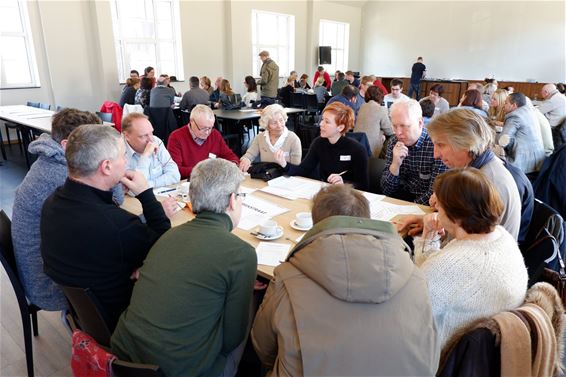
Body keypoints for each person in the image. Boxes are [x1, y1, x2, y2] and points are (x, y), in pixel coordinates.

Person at [252, 184, 440, 377]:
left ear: (317, 224)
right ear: (366, 218)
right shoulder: (416, 276)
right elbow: (430, 353)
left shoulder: (288, 276)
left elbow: (263, 346)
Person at [111, 159, 256, 377]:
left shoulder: (169, 235)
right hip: (181, 370)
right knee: (253, 308)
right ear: (233, 201)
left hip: (125, 356)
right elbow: (232, 337)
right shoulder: (241, 253)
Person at [41, 125, 172, 330]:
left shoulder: (52, 203)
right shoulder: (117, 225)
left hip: (85, 316)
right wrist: (146, 193)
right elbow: (165, 245)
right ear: (107, 167)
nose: (127, 161)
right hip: (125, 320)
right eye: (122, 156)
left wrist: (136, 263)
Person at [12, 110, 121, 312]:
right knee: (130, 267)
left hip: (45, 267)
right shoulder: (61, 172)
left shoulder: (49, 160)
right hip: (50, 285)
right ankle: (93, 330)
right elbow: (116, 201)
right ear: (66, 145)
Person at [413, 168, 528, 349]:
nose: (435, 207)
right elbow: (431, 275)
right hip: (493, 351)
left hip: (448, 356)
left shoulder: (453, 263)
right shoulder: (501, 236)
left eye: (440, 205)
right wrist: (429, 235)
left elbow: (412, 309)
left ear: (456, 216)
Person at [422, 108, 523, 239]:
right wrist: (426, 222)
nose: (435, 154)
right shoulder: (481, 170)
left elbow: (462, 246)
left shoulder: (483, 184)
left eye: (441, 145)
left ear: (466, 143)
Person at [274, 102, 369, 190]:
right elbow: (303, 169)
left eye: (327, 122)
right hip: (326, 192)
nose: (321, 124)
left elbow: (363, 185)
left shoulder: (357, 149)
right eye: (322, 119)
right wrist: (284, 164)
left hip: (348, 197)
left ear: (340, 127)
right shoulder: (319, 143)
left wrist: (344, 183)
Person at [381, 99, 448, 205]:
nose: (398, 133)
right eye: (394, 126)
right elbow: (386, 190)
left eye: (404, 126)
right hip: (398, 201)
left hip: (424, 205)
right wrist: (395, 165)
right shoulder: (393, 142)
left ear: (420, 123)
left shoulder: (436, 145)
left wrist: (410, 208)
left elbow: (435, 193)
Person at [167, 104, 239, 179]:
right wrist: (203, 172)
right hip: (188, 183)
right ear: (192, 122)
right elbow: (175, 170)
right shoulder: (176, 137)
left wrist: (233, 164)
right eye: (203, 128)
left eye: (210, 128)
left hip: (211, 182)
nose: (207, 132)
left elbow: (229, 155)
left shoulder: (214, 134)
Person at [122, 113, 180, 188]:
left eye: (151, 133)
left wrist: (149, 184)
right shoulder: (118, 153)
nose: (151, 140)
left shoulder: (156, 141)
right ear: (127, 136)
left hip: (160, 195)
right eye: (143, 136)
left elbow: (175, 175)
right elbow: (134, 190)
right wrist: (145, 156)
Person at [239, 104, 301, 172]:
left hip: (287, 179)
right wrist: (246, 159)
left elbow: (297, 169)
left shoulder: (293, 139)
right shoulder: (260, 138)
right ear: (267, 125)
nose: (279, 125)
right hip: (266, 177)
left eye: (281, 120)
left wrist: (284, 164)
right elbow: (249, 155)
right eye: (274, 123)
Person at [499, 92, 545, 174]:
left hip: (522, 162)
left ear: (514, 105)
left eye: (506, 103)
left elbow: (503, 141)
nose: (503, 105)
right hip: (538, 159)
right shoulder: (529, 111)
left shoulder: (514, 116)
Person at [354, 85, 393, 157]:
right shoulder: (382, 109)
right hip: (371, 151)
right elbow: (389, 131)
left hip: (357, 146)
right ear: (381, 97)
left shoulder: (362, 107)